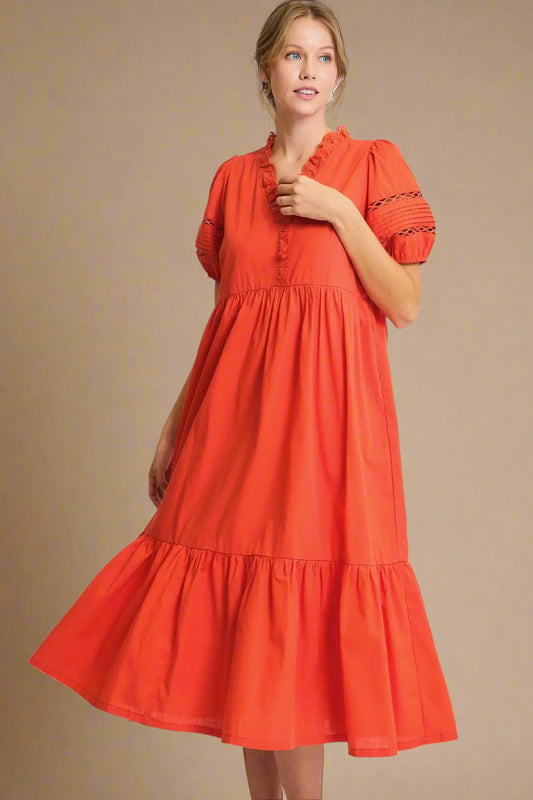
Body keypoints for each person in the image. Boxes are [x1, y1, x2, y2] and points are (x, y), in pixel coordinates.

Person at [28, 1, 458, 798]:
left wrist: (334, 211)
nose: (307, 71)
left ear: (338, 74)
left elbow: (403, 302)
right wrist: (173, 427)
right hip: (234, 435)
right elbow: (226, 320)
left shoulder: (370, 167)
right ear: (264, 69)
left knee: (291, 646)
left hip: (327, 441)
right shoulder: (232, 181)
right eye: (292, 55)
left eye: (322, 57)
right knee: (248, 651)